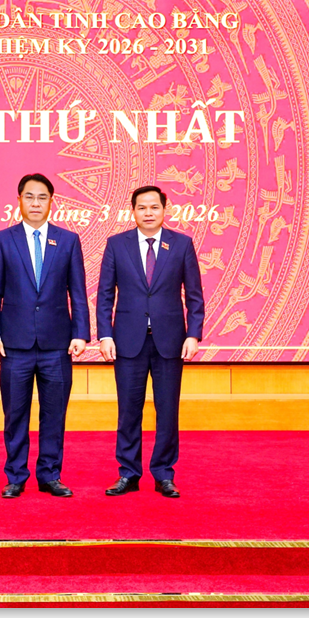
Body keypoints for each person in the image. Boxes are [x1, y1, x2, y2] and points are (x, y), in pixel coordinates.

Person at [0, 174, 90, 499]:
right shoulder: (3, 240)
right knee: (15, 415)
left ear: (51, 202)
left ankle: (50, 475)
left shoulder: (68, 240)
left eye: (42, 197)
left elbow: (78, 291)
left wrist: (81, 333)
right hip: (13, 345)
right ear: (19, 200)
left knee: (54, 414)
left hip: (57, 345)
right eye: (29, 197)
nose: (35, 203)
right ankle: (16, 476)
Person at [97, 186, 205, 499]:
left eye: (154, 207)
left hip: (170, 341)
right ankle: (128, 474)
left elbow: (194, 295)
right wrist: (105, 334)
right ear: (133, 211)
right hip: (127, 341)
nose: (148, 213)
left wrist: (193, 334)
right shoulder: (117, 244)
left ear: (164, 210)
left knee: (167, 411)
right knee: (128, 411)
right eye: (142, 207)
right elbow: (105, 295)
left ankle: (164, 474)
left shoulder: (181, 244)